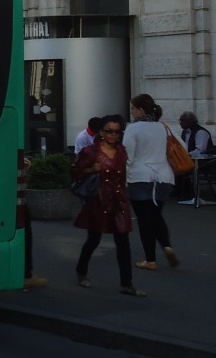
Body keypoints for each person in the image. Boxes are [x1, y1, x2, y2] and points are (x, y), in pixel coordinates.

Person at [70, 113, 145, 296]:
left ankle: (127, 284)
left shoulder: (123, 151)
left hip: (119, 201)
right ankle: (81, 271)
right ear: (101, 132)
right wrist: (91, 169)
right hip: (98, 200)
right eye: (109, 131)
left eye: (117, 132)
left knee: (123, 242)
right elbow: (75, 172)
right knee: (93, 240)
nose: (113, 135)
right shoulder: (91, 152)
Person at [124, 93, 178, 270]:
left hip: (140, 177)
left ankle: (150, 260)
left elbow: (128, 156)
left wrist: (124, 178)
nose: (131, 112)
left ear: (140, 110)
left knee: (144, 219)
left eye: (133, 109)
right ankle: (167, 246)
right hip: (164, 177)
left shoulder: (133, 129)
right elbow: (182, 147)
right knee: (156, 215)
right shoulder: (164, 127)